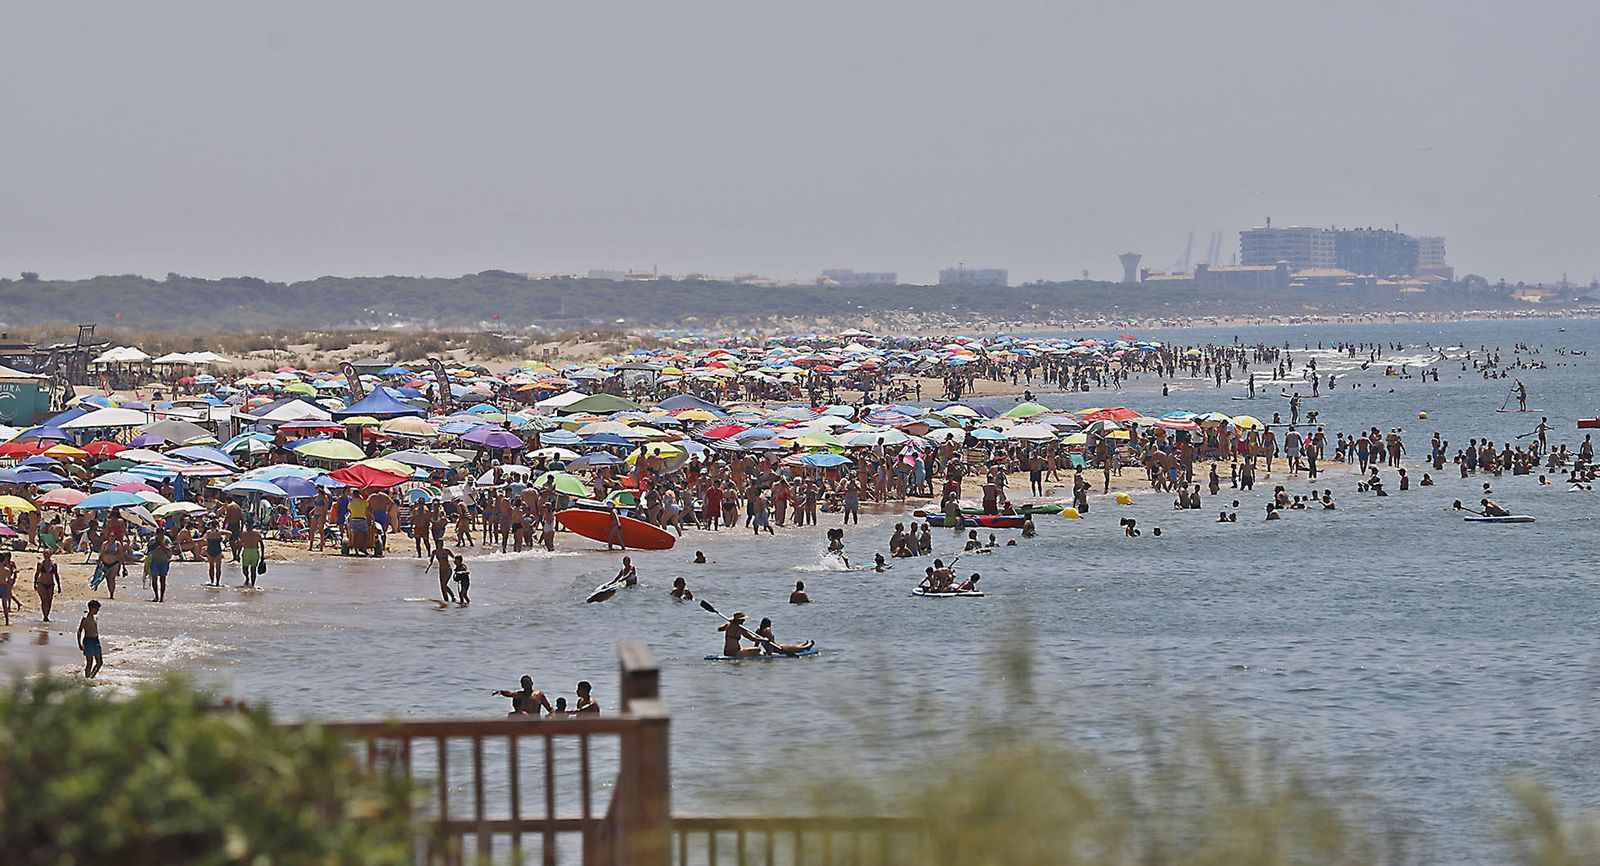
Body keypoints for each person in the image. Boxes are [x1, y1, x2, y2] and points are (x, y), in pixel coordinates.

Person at [78, 600, 103, 678]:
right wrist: (80, 644)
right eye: (96, 609)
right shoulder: (85, 619)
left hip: (96, 640)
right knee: (90, 662)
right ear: (91, 608)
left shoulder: (95, 617)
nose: (97, 611)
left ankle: (92, 677)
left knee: (100, 662)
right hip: (88, 640)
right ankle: (87, 678)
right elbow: (79, 631)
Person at [146, 528, 172, 602]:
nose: (161, 536)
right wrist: (156, 543)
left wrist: (161, 544)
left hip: (164, 561)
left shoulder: (166, 540)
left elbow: (169, 549)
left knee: (163, 580)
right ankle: (156, 596)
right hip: (154, 561)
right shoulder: (152, 540)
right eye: (159, 534)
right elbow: (149, 549)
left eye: (162, 534)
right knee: (154, 579)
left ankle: (162, 597)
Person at [34, 550, 61, 622]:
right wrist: (35, 583)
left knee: (49, 600)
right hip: (41, 583)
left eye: (48, 553)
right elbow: (37, 574)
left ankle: (47, 615)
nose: (46, 555)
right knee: (44, 600)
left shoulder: (53, 564)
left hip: (50, 584)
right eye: (45, 553)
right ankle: (44, 616)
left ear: (51, 554)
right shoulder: (40, 564)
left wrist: (59, 585)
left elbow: (56, 575)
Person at [239, 521, 265, 588]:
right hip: (251, 551)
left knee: (250, 569)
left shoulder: (252, 533)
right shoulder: (247, 534)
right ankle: (249, 580)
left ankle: (251, 583)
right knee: (248, 569)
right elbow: (240, 545)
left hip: (250, 551)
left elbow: (262, 544)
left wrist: (262, 555)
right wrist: (262, 555)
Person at [0, 554, 17, 626]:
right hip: (3, 586)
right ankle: (7, 621)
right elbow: (9, 580)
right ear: (4, 561)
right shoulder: (7, 570)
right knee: (4, 604)